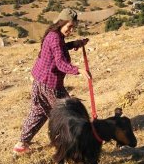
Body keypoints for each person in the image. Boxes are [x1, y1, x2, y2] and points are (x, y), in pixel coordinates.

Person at [13, 8, 90, 154]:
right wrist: (78, 70)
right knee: (69, 112)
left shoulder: (54, 34)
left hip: (40, 81)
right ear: (61, 23)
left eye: (73, 27)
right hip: (50, 84)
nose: (71, 30)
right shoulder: (54, 38)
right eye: (69, 26)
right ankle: (74, 144)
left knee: (38, 112)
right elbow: (60, 62)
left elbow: (59, 49)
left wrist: (74, 44)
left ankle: (21, 144)